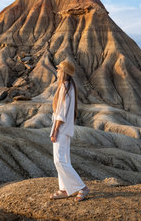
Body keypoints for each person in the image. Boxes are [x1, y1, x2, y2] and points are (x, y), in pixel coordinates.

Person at [49, 60, 90, 202]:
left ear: (64, 72)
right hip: (65, 129)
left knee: (59, 160)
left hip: (61, 128)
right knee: (62, 159)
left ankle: (82, 187)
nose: (57, 71)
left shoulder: (65, 87)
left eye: (59, 69)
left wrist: (55, 131)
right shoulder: (70, 86)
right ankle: (65, 189)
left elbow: (61, 112)